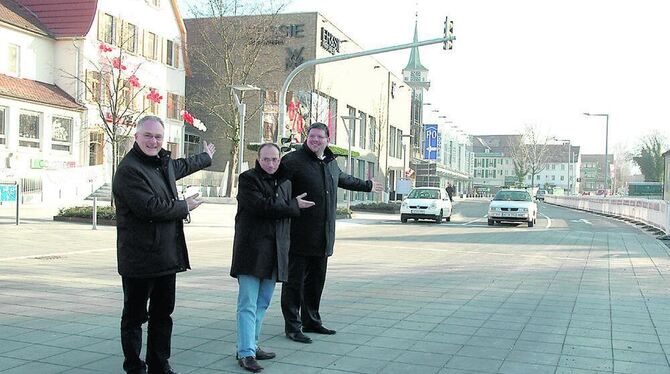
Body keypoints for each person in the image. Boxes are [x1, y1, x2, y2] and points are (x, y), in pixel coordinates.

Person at [113, 115, 215, 374]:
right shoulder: (129, 170)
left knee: (162, 316)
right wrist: (184, 206)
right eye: (148, 135)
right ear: (136, 137)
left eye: (158, 137)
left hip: (165, 258)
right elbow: (149, 208)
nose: (153, 141)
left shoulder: (162, 163)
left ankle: (159, 364)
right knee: (134, 318)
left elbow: (182, 165)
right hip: (139, 260)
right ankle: (135, 367)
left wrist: (205, 157)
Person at [280, 122, 383, 343]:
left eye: (320, 137)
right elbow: (275, 187)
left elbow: (343, 179)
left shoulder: (329, 161)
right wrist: (290, 204)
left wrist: (367, 185)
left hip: (323, 235)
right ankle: (293, 326)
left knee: (316, 281)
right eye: (312, 136)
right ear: (306, 137)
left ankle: (312, 321)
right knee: (294, 283)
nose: (315, 140)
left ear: (327, 140)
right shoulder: (292, 161)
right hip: (298, 235)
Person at [231, 143, 315, 372]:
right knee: (247, 304)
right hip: (251, 252)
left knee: (262, 302)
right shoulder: (248, 179)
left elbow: (282, 213)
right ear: (258, 159)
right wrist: (293, 206)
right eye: (266, 159)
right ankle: (246, 353)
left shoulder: (285, 182)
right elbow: (262, 206)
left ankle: (250, 345)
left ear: (280, 160)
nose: (270, 163)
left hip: (275, 252)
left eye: (274, 159)